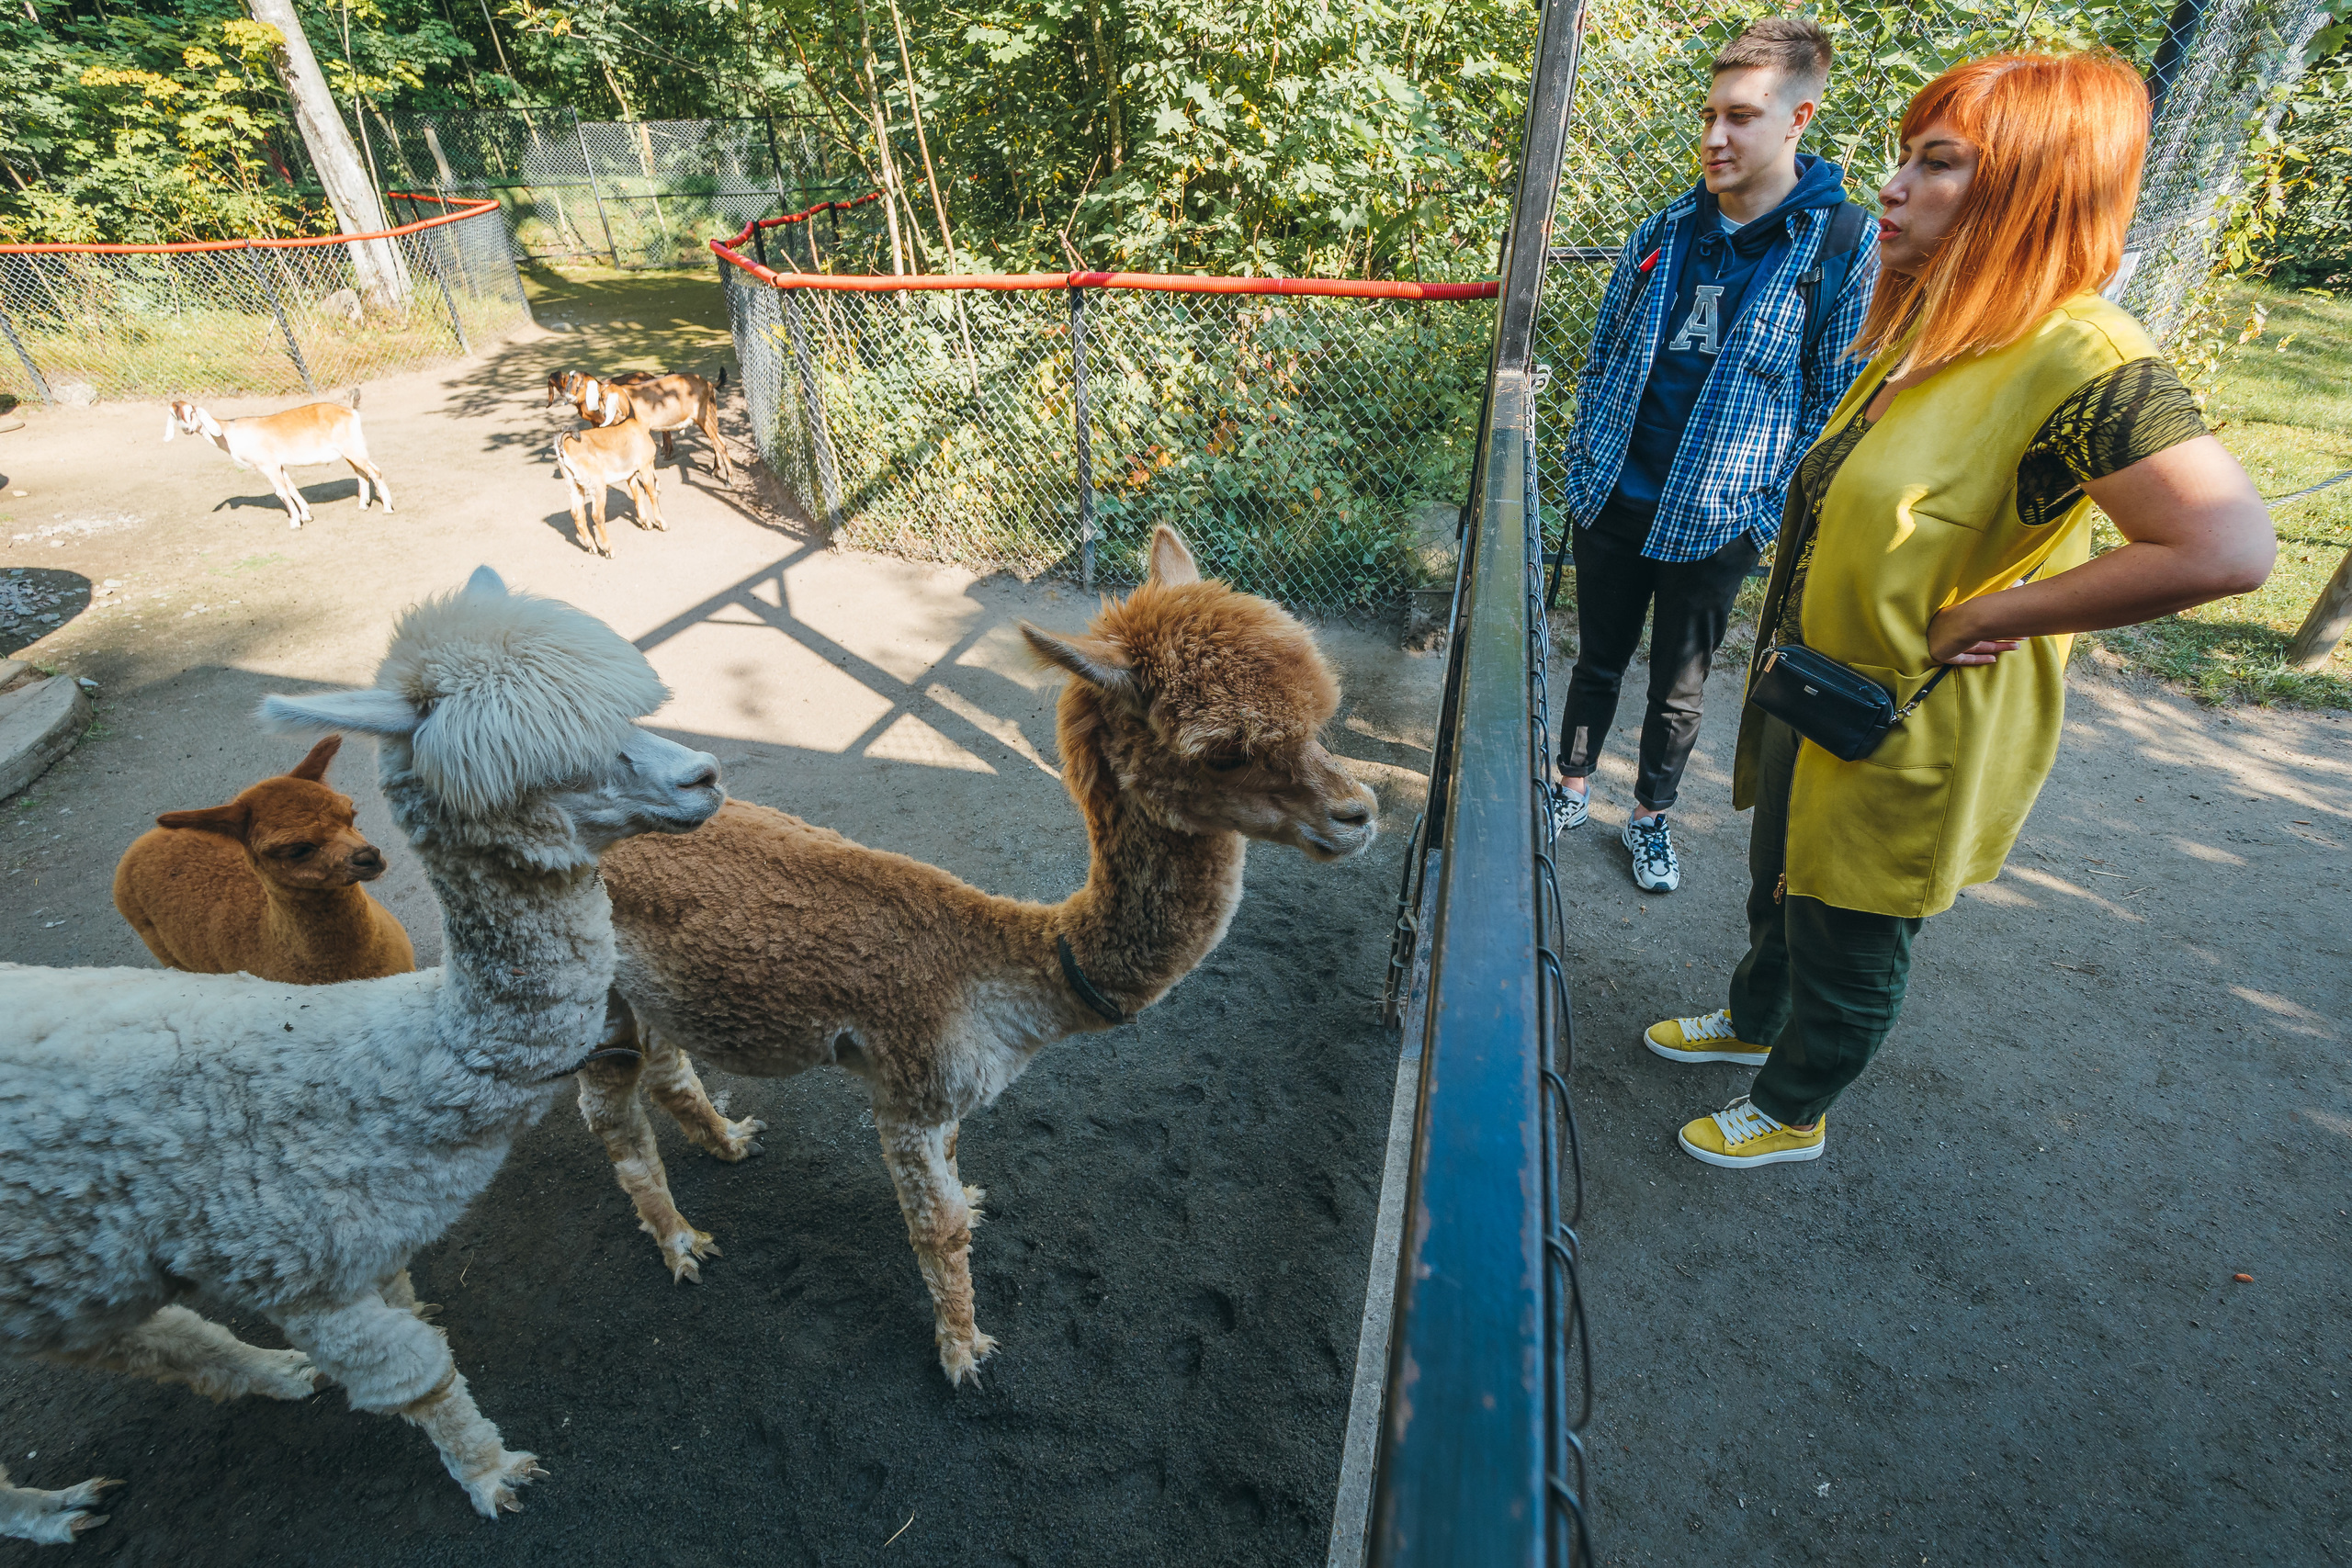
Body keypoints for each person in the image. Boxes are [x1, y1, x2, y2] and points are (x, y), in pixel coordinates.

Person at [1650, 50, 2275, 1168]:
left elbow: (2224, 546)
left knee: (1850, 923)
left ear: (2036, 190)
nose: (1891, 186)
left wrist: (2000, 609)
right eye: (1904, 157)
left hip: (1906, 712)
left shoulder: (2084, 354)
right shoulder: (1946, 321)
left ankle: (1795, 1104)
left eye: (1937, 164)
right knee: (1782, 874)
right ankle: (1752, 1018)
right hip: (1817, 681)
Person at [1553, 15, 1877, 894]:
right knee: (1596, 657)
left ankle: (1651, 818)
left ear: (1798, 120)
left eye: (1738, 117)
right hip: (1617, 490)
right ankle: (1568, 785)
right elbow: (1606, 350)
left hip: (1718, 516)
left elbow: (1833, 401)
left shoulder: (1843, 246)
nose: (1713, 137)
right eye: (1709, 114)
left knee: (1680, 687)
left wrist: (1762, 513)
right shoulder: (1665, 227)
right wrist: (1589, 456)